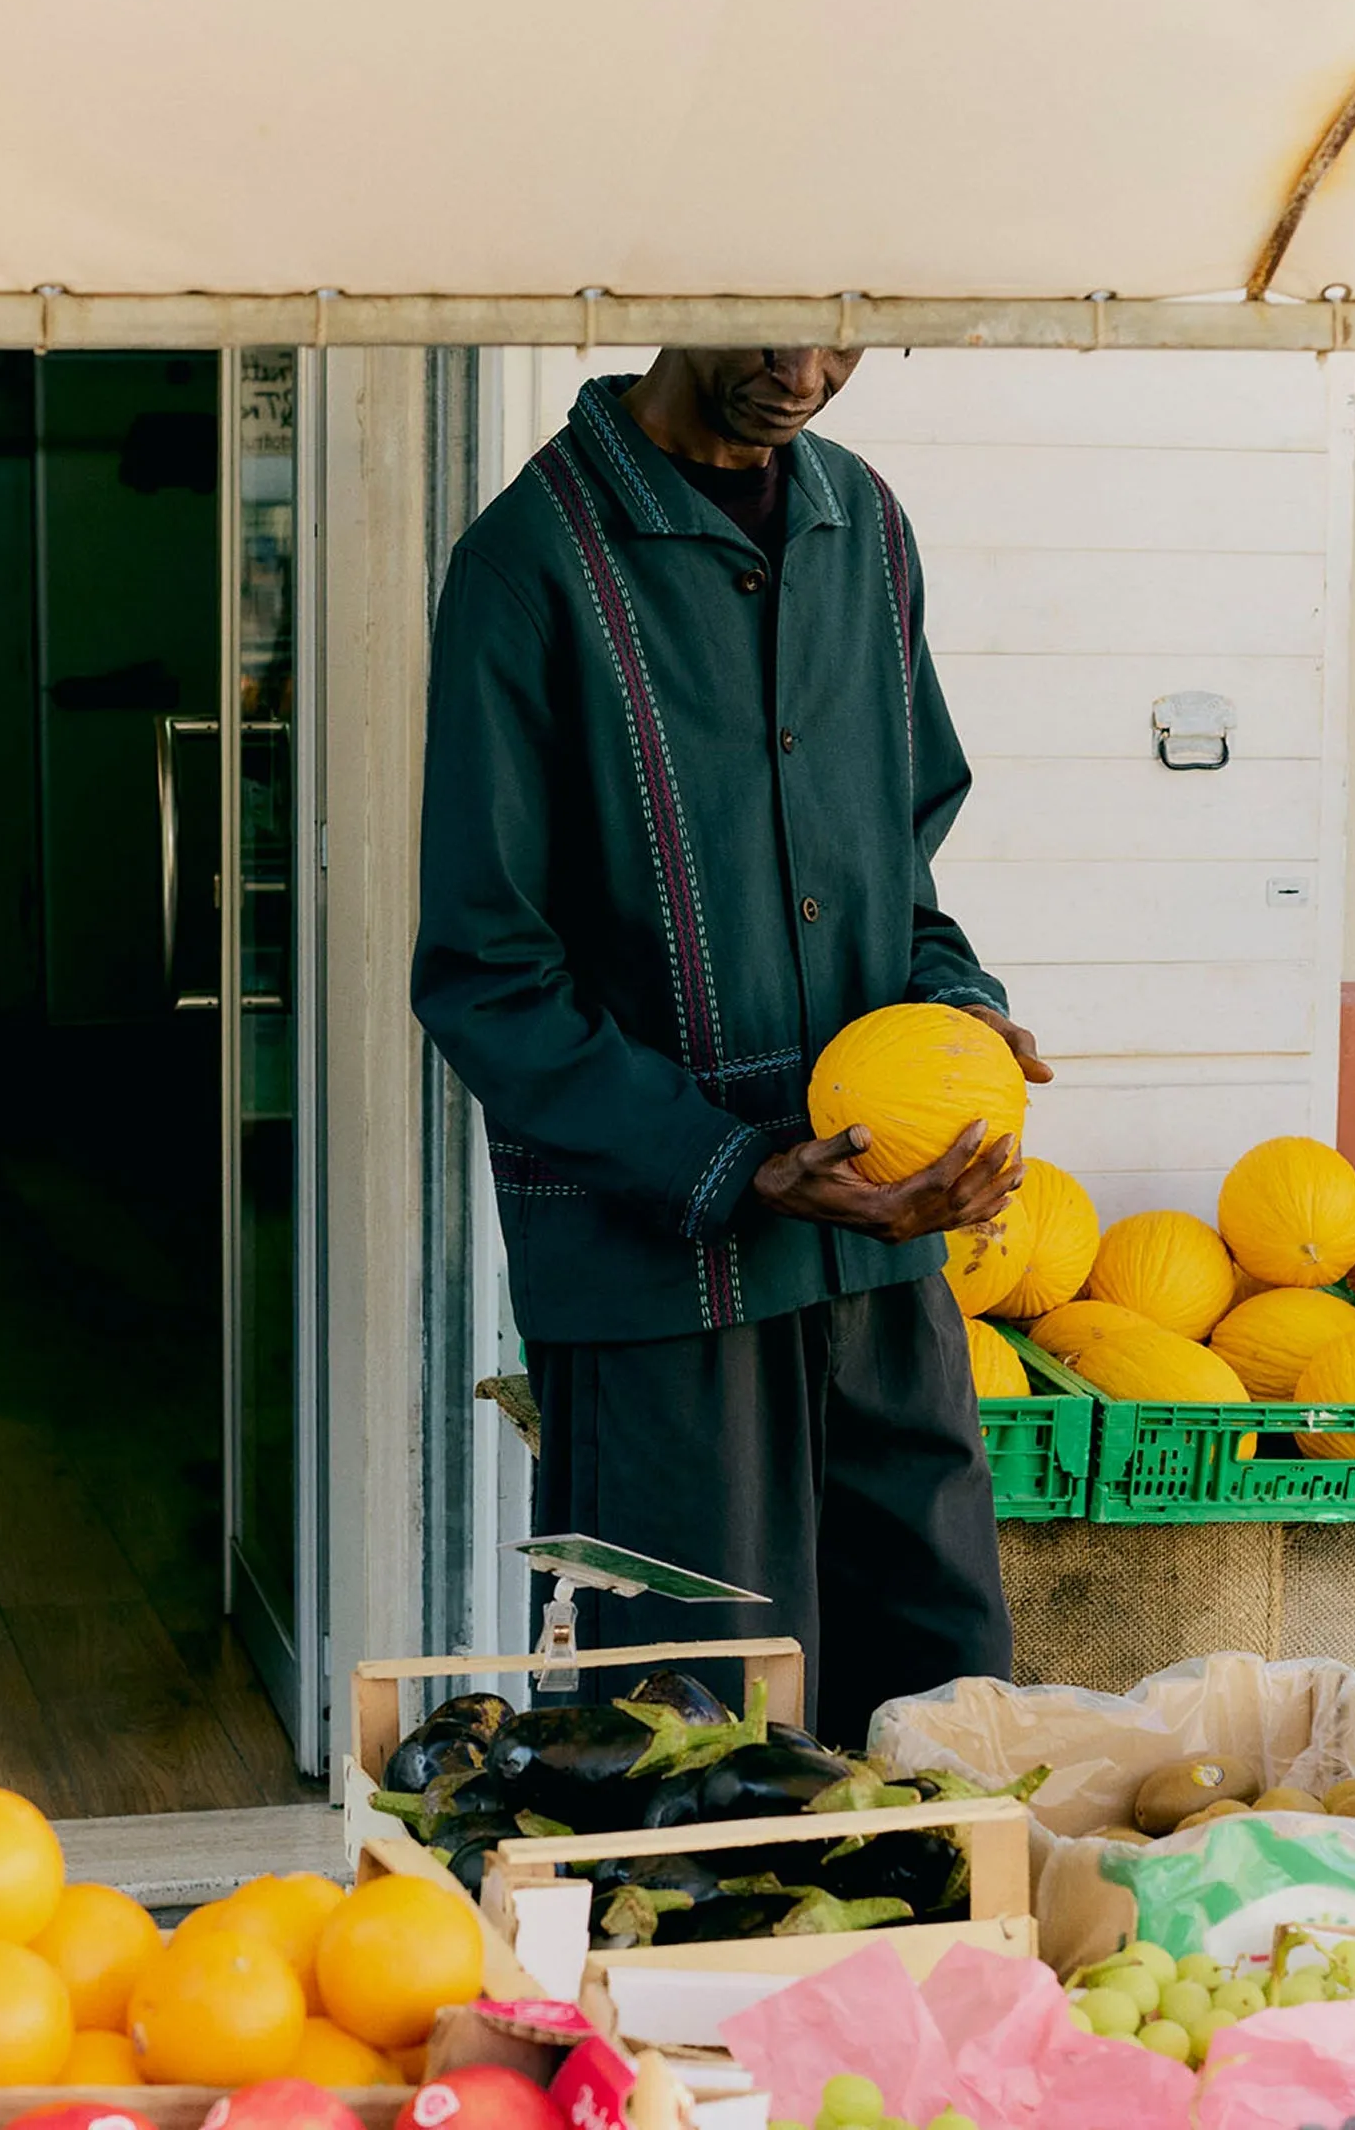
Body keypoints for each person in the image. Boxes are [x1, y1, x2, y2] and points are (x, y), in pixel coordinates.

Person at [413, 347, 1051, 1744]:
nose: (803, 367)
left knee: (946, 1711)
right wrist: (737, 1167)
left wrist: (959, 1013)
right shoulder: (531, 564)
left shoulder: (864, 529)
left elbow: (902, 873)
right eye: (765, 314)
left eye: (840, 323)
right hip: (662, 1294)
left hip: (882, 1269)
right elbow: (484, 974)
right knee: (688, 1746)